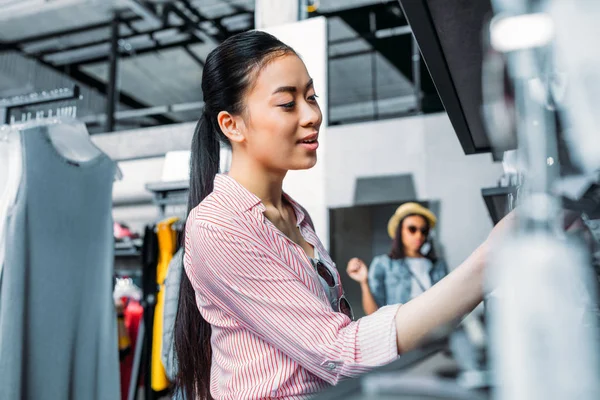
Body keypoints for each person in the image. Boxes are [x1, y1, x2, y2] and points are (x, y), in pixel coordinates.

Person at [174, 30, 508, 400]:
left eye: (312, 97)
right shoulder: (217, 226)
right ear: (231, 124)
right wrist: (487, 263)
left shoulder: (294, 216)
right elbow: (336, 351)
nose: (312, 115)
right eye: (288, 103)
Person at [346, 202, 447, 315]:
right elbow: (373, 314)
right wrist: (364, 282)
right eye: (412, 229)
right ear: (400, 231)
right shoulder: (383, 264)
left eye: (423, 231)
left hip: (434, 328)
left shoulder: (438, 266)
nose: (419, 235)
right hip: (401, 330)